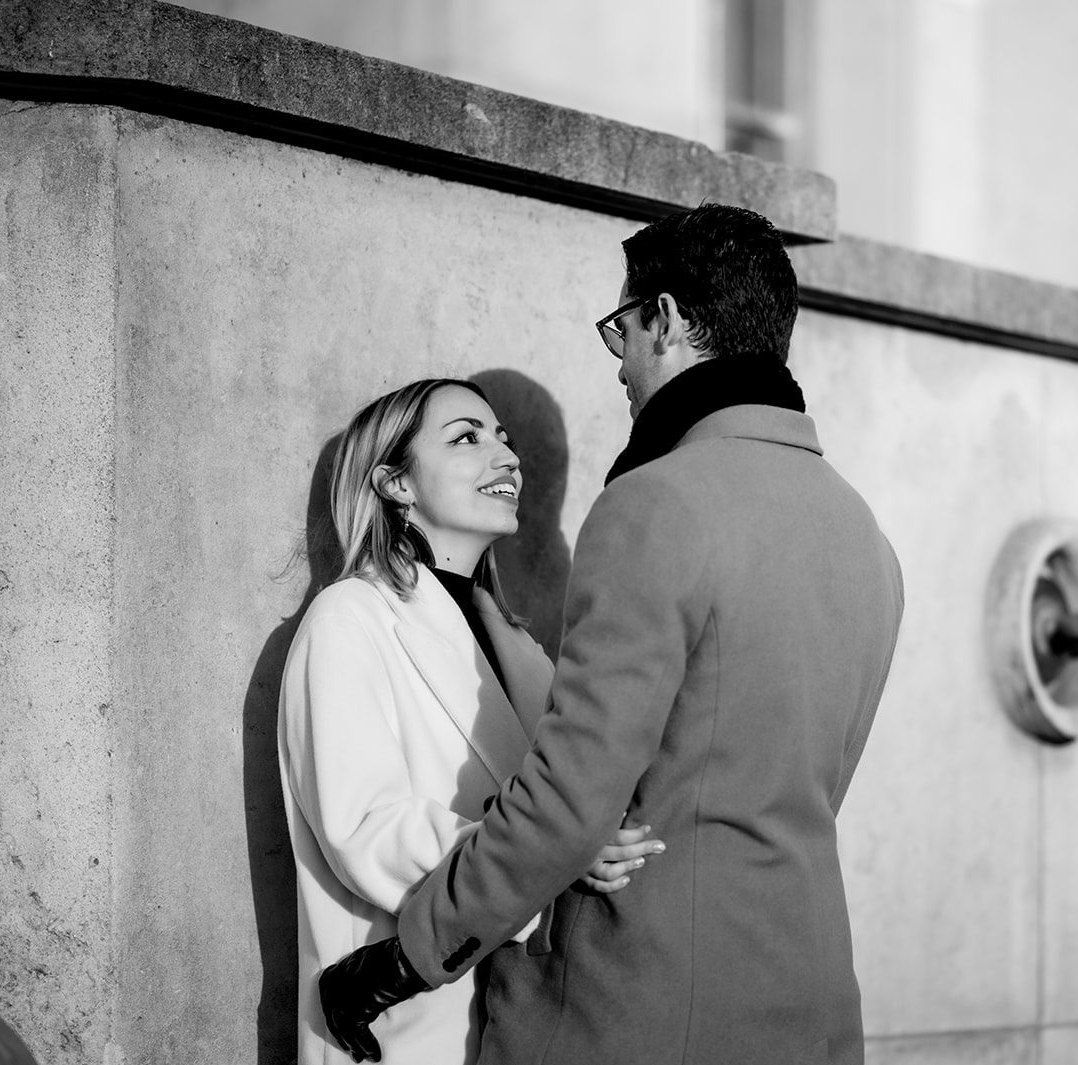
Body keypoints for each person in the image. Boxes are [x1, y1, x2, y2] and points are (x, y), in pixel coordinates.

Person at [321, 203, 906, 1064]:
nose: (620, 365)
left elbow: (570, 801)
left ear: (664, 320)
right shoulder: (865, 537)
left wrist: (403, 959)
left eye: (620, 330)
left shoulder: (656, 505)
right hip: (809, 1003)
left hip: (639, 1007)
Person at [279, 378, 663, 1065]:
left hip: (530, 1019)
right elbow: (365, 827)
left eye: (504, 439)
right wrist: (549, 851)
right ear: (395, 483)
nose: (507, 456)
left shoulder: (524, 649)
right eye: (467, 437)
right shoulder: (349, 619)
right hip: (404, 1028)